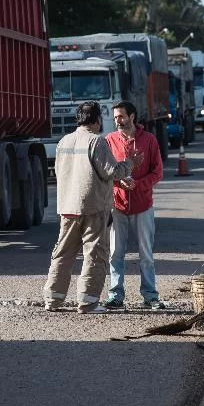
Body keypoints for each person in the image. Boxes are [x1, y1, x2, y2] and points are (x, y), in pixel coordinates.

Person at [43, 101, 139, 314]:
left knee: (63, 253)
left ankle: (53, 299)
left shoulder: (64, 141)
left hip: (68, 205)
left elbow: (60, 172)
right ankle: (88, 302)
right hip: (93, 206)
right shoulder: (97, 141)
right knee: (95, 253)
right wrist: (129, 163)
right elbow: (111, 171)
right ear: (96, 119)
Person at [103, 100, 165, 310]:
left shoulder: (149, 140)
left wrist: (139, 184)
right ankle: (115, 294)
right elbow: (104, 172)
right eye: (115, 118)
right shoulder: (109, 140)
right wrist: (118, 182)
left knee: (146, 253)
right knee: (115, 253)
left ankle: (150, 295)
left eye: (121, 116)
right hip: (117, 205)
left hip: (143, 204)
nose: (117, 121)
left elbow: (158, 172)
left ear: (132, 117)